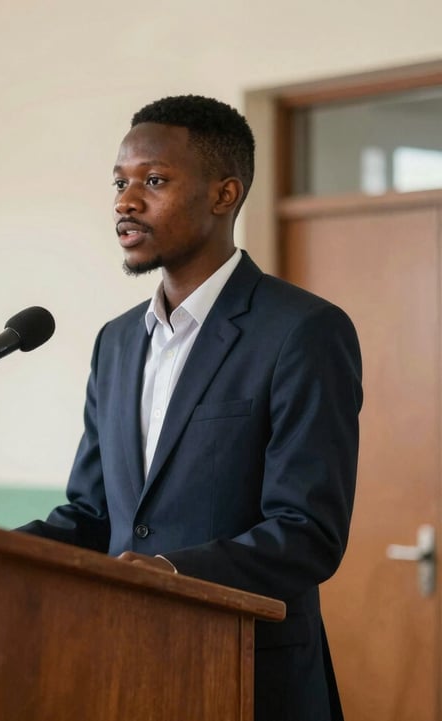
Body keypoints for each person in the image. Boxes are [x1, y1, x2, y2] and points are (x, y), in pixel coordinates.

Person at [18, 95, 362, 721]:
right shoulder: (117, 341)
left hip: (250, 675)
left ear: (224, 195)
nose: (125, 202)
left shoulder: (303, 330)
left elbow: (307, 532)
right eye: (120, 183)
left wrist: (168, 572)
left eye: (153, 181)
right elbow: (92, 516)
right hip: (127, 667)